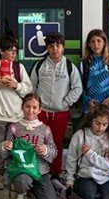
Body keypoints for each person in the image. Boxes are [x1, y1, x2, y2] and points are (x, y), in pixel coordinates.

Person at [0, 35, 33, 190]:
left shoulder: (19, 67)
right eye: (10, 50)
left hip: (16, 115)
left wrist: (16, 85)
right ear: (1, 51)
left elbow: (29, 89)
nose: (13, 54)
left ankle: (14, 175)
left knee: (15, 146)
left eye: (15, 51)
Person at [30, 31, 82, 179]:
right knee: (38, 142)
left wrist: (66, 102)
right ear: (47, 48)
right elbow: (32, 86)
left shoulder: (70, 66)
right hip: (41, 113)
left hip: (60, 113)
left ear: (63, 47)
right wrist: (36, 105)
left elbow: (77, 88)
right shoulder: (40, 65)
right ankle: (37, 172)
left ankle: (55, 173)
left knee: (57, 144)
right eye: (51, 46)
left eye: (58, 46)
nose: (55, 49)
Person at [2, 94, 58, 199]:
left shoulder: (45, 129)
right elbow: (7, 153)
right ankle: (20, 193)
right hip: (21, 168)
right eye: (27, 106)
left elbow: (54, 151)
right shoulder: (14, 127)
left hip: (40, 170)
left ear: (39, 110)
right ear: (22, 107)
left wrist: (45, 150)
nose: (30, 110)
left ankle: (32, 190)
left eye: (34, 107)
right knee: (23, 180)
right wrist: (5, 146)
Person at [65, 104, 109, 199]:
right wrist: (70, 179)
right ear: (91, 121)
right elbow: (71, 158)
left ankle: (103, 195)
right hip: (85, 175)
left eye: (104, 125)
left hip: (103, 177)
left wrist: (90, 154)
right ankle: (89, 196)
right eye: (97, 123)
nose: (100, 128)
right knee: (89, 198)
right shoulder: (80, 135)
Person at [79, 29, 109, 115]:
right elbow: (79, 86)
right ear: (88, 44)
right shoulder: (83, 63)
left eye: (99, 41)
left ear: (104, 43)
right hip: (90, 108)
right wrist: (87, 100)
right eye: (92, 42)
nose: (96, 44)